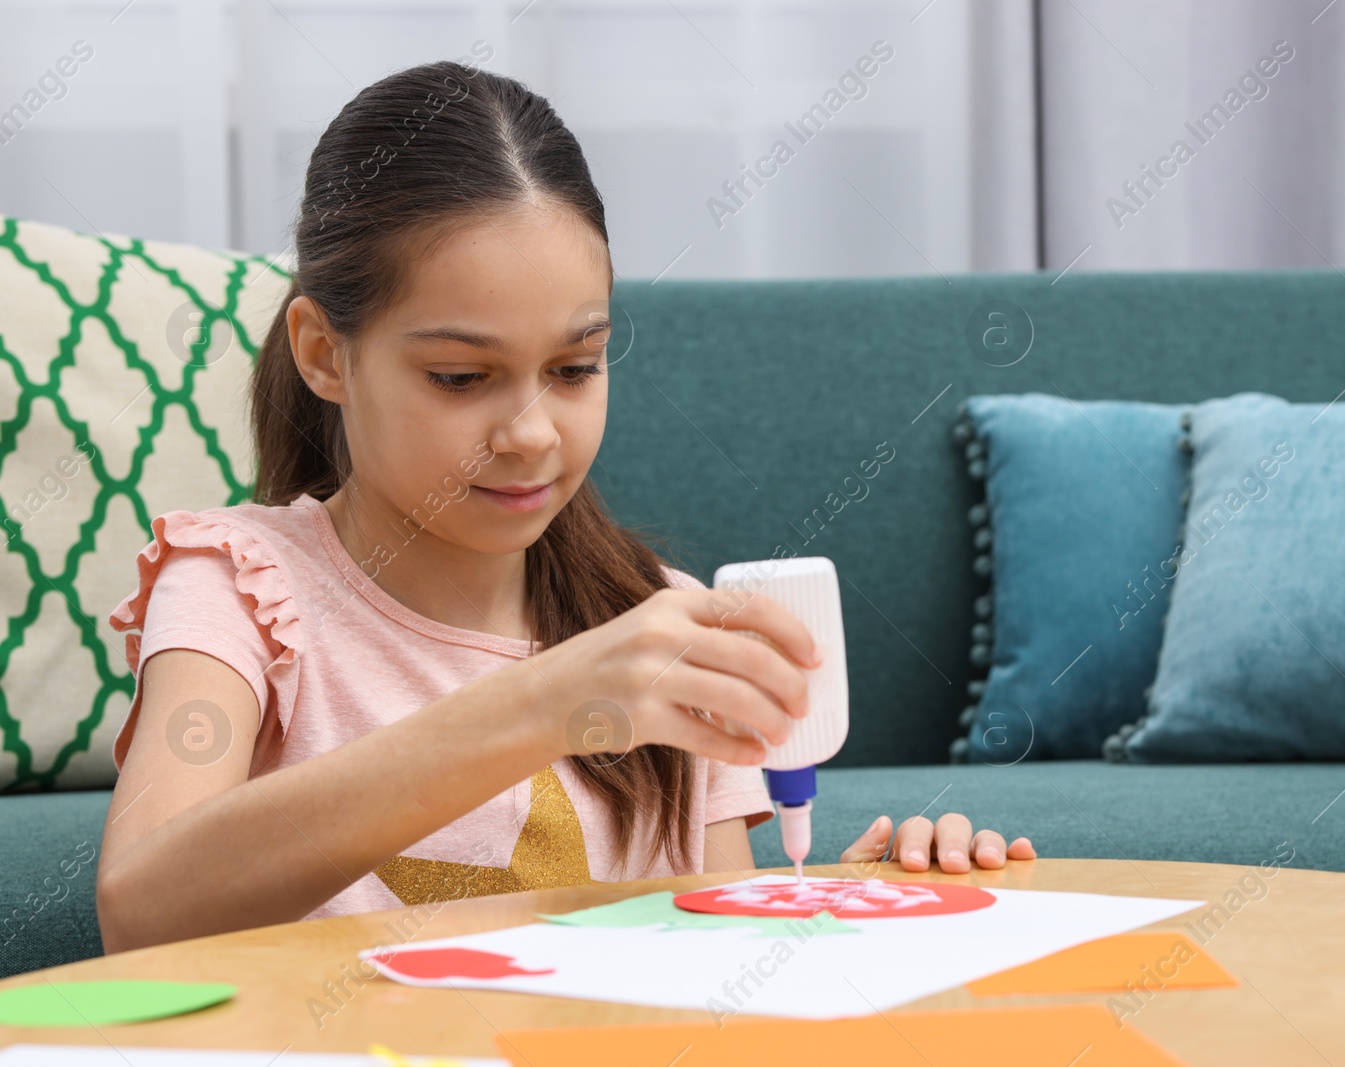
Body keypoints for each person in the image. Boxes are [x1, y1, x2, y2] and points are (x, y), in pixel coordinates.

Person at [95, 59, 1033, 953]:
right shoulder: (242, 585)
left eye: (576, 367)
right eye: (461, 376)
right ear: (322, 352)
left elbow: (731, 958)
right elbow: (140, 912)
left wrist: (864, 904)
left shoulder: (656, 618)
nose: (533, 433)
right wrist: (547, 702)